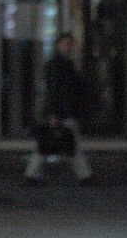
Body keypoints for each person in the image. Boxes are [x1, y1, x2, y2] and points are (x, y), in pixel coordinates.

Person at [24, 32, 94, 184]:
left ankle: (32, 173)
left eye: (69, 44)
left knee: (51, 143)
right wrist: (54, 113)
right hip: (64, 110)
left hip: (64, 109)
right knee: (71, 143)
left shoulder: (61, 64)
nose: (68, 47)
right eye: (65, 43)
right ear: (58, 45)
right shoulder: (60, 65)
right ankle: (84, 175)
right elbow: (56, 91)